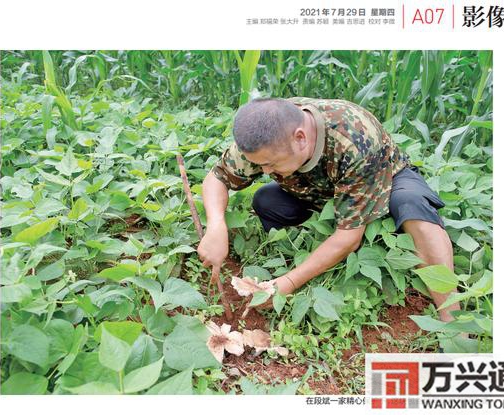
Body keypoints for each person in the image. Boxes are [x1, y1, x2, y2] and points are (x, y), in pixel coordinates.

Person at [197, 97, 460, 322]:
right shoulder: (265, 134)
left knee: (411, 206)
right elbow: (217, 177)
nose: (263, 171)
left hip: (384, 182)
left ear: (300, 138)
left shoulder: (355, 136)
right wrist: (216, 225)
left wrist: (287, 283)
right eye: (260, 165)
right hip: (322, 191)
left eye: (269, 164)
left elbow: (349, 237)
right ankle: (314, 248)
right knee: (266, 201)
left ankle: (452, 322)